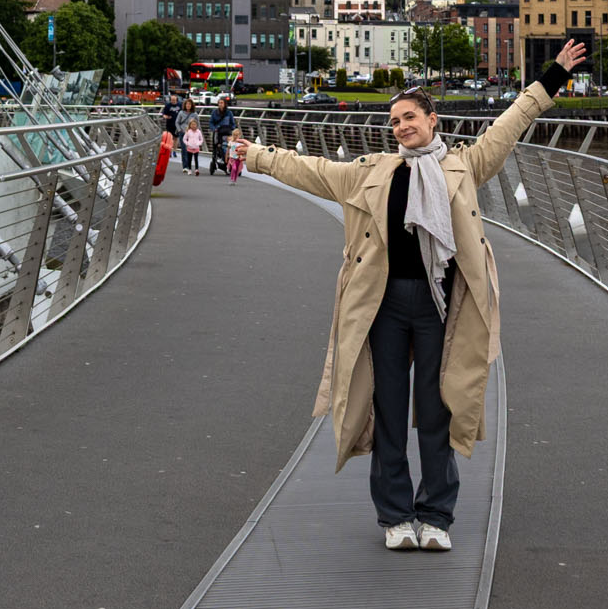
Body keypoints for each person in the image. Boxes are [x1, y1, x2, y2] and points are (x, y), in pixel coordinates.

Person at [232, 40, 585, 553]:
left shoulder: (463, 166)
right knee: (389, 409)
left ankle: (436, 515)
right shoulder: (371, 172)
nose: (401, 127)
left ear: (432, 120)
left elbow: (509, 127)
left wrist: (551, 76)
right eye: (394, 121)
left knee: (438, 410)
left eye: (409, 117)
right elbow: (309, 170)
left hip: (444, 305)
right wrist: (258, 156)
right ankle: (396, 515)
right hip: (384, 307)